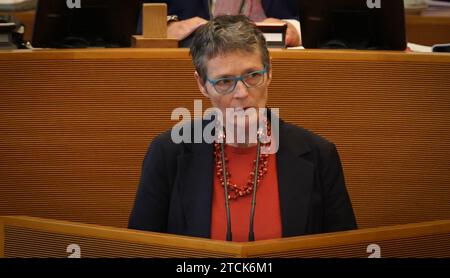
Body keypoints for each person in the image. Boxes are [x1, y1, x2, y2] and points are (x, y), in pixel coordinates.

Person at [129, 15, 356, 242]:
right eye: (224, 81)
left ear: (269, 73)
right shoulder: (167, 154)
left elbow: (343, 251)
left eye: (252, 75)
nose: (241, 93)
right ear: (202, 84)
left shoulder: (319, 155)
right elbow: (142, 251)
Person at [141, 0, 301, 47]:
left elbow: (312, 22)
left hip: (272, 60)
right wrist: (165, 27)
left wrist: (294, 29)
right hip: (187, 63)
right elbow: (144, 26)